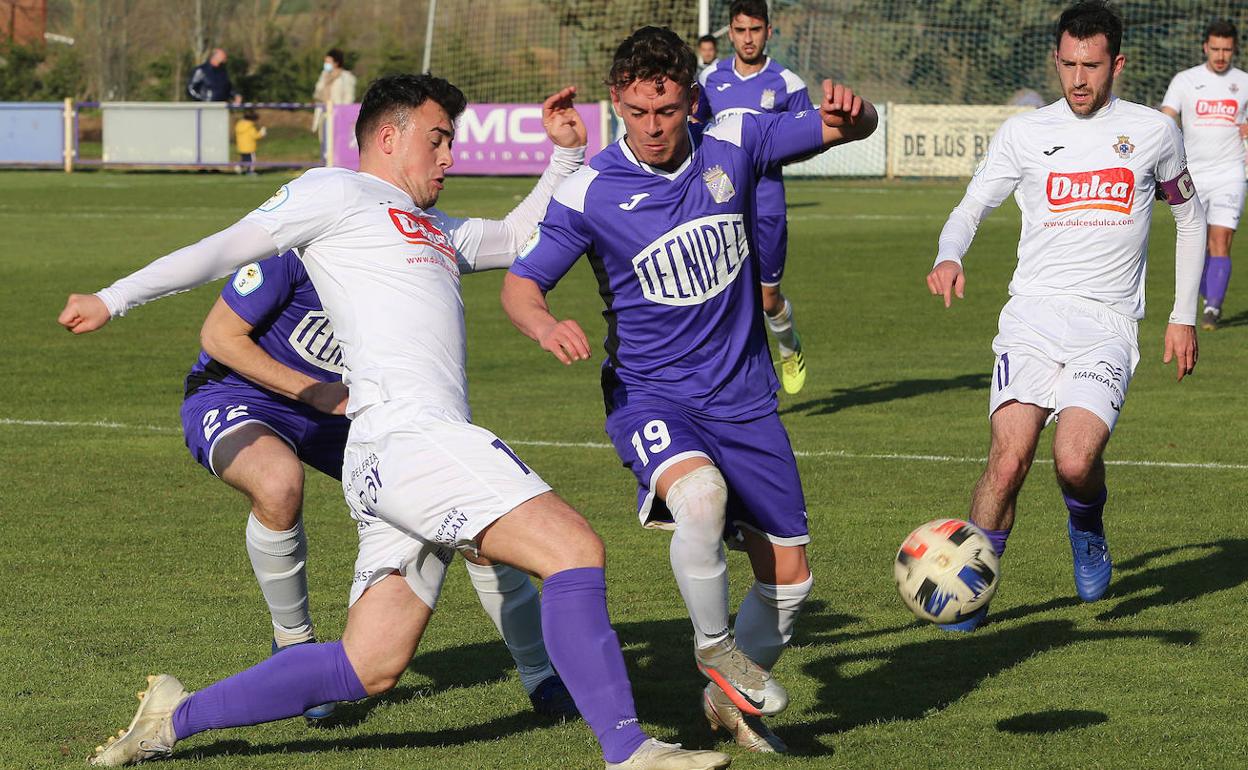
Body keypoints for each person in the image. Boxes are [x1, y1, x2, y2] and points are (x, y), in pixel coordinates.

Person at [61, 74, 730, 770]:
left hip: (387, 457)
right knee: (573, 549)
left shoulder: (432, 226)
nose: (448, 158)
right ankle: (630, 749)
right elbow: (222, 250)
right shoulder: (334, 191)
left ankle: (174, 718)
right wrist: (115, 298)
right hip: (410, 438)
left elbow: (515, 235)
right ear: (388, 136)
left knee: (366, 666)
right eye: (437, 140)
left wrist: (563, 157)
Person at [501, 26, 876, 754]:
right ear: (616, 103)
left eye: (667, 110)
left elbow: (833, 127)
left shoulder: (733, 140)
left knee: (791, 581)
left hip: (744, 398)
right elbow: (521, 286)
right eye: (638, 112)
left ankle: (724, 697)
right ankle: (714, 646)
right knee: (698, 499)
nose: (653, 128)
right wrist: (544, 326)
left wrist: (851, 117)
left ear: (691, 101)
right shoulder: (588, 191)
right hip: (652, 397)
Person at [179, 250, 576, 723]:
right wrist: (313, 391)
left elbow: (506, 236)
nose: (446, 169)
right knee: (277, 483)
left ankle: (539, 675)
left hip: (349, 412)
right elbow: (220, 336)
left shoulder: (403, 249)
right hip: (242, 394)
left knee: (471, 514)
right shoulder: (290, 255)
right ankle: (293, 646)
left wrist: (566, 174)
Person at [925, 0, 1205, 632]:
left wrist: (1181, 316)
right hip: (1030, 318)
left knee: (1075, 461)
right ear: (1056, 60)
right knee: (1008, 458)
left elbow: (1189, 217)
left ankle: (1086, 524)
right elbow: (973, 203)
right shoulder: (1024, 132)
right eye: (1069, 65)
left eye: (1093, 66)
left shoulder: (1154, 134)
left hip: (1107, 324)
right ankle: (971, 587)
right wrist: (949, 254)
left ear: (1117, 65)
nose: (1079, 80)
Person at [694, 0, 814, 395]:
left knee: (766, 300)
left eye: (755, 30)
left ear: (768, 32)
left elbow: (809, 139)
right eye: (741, 30)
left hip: (766, 201)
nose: (748, 39)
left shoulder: (788, 84)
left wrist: (773, 148)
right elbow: (694, 129)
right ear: (730, 32)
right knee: (719, 300)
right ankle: (733, 384)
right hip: (719, 199)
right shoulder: (709, 78)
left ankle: (788, 345)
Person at [1161, 19, 1248, 330]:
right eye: (1215, 49)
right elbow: (1167, 119)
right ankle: (1206, 290)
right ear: (1205, 48)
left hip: (1231, 173)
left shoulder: (1245, 82)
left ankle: (1212, 309)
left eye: (1226, 49)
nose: (1221, 55)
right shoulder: (1185, 81)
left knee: (1220, 240)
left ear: (1234, 48)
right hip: (1192, 174)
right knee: (1199, 243)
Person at [312, 48, 358, 137]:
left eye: (328, 62)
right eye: (325, 62)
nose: (326, 64)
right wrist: (325, 83)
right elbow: (317, 93)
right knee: (324, 141)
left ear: (336, 63)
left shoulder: (346, 77)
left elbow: (349, 97)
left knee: (337, 141)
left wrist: (343, 112)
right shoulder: (324, 75)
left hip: (339, 114)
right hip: (324, 113)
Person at [234, 108, 266, 175]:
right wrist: (262, 133)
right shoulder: (250, 126)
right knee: (252, 160)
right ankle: (250, 171)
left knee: (245, 159)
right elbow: (255, 136)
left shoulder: (239, 124)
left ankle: (239, 166)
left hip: (241, 147)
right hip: (249, 147)